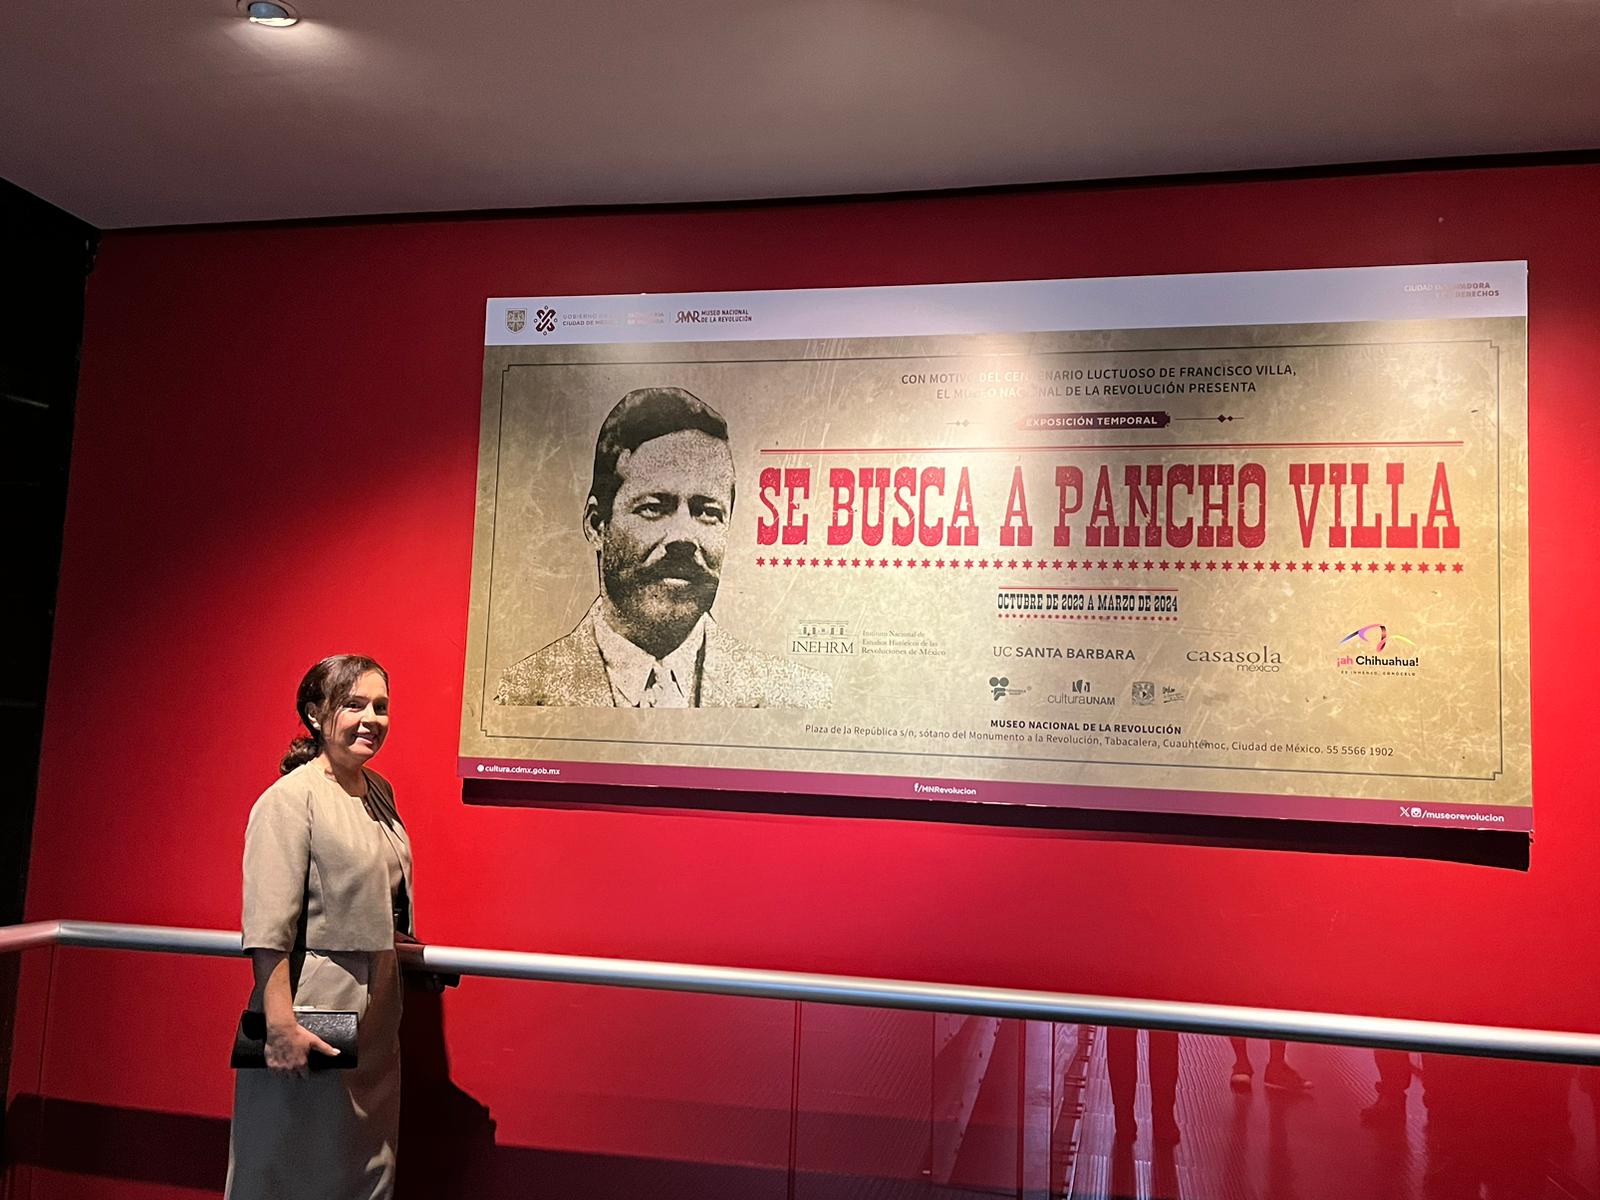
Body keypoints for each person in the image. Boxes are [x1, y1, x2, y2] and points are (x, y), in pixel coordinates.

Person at [495, 386, 830, 708]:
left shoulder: (793, 696)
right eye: (654, 507)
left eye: (707, 512)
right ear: (597, 525)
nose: (683, 537)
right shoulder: (518, 694)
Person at [226, 655, 414, 1200]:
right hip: (314, 1008)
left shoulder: (379, 790)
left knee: (362, 1171)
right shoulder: (288, 801)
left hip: (377, 1011)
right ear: (315, 714)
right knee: (295, 1164)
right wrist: (280, 1025)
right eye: (353, 704)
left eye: (381, 706)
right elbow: (268, 928)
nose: (370, 719)